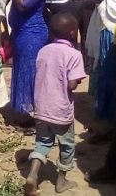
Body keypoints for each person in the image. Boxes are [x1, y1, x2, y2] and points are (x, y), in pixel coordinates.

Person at [25, 13, 85, 195]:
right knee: (67, 146)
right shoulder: (74, 54)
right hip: (61, 111)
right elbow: (72, 84)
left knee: (42, 143)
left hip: (42, 108)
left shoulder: (43, 51)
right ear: (73, 33)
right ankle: (61, 182)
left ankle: (33, 175)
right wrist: (77, 79)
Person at [10, 0, 50, 116]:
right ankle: (23, 109)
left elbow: (24, 5)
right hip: (19, 33)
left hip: (32, 33)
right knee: (21, 69)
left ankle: (32, 111)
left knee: (30, 71)